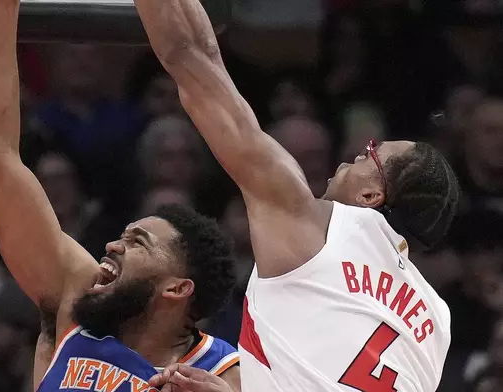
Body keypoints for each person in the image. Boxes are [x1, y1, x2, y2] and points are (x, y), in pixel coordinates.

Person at [134, 0, 459, 391]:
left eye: (370, 153)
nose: (355, 155)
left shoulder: (315, 224)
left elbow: (191, 58)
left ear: (372, 194)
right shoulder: (436, 319)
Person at [0, 1, 241, 392]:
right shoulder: (75, 297)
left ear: (177, 288)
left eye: (136, 243)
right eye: (124, 236)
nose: (112, 245)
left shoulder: (225, 372)